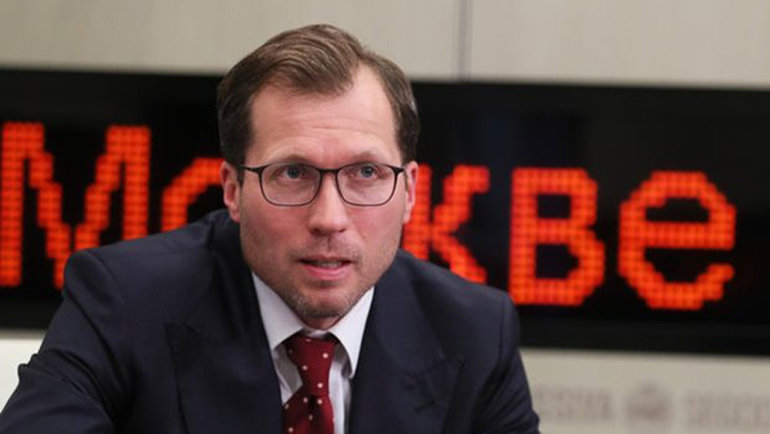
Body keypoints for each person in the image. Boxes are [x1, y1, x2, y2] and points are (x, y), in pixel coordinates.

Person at [0, 24, 540, 433]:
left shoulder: (475, 330)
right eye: (293, 173)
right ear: (232, 190)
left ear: (411, 192)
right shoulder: (123, 299)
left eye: (366, 173)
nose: (329, 219)